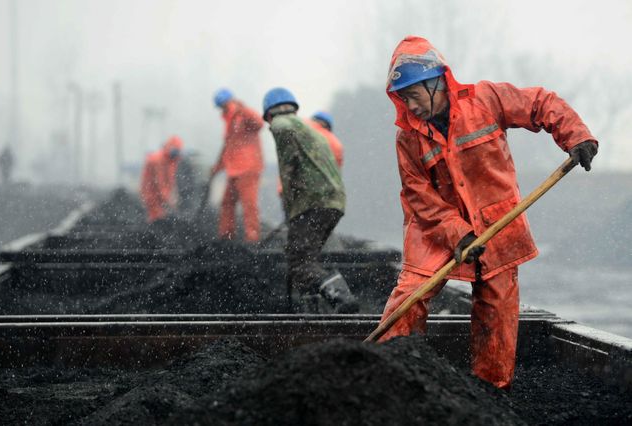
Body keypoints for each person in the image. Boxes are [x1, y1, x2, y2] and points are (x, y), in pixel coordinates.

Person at [378, 36, 598, 389]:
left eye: (413, 95)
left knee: (497, 305)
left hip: (496, 222)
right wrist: (457, 233)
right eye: (402, 98)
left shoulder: (485, 99)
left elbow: (539, 103)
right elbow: (418, 195)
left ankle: (491, 390)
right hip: (434, 227)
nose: (409, 105)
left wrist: (576, 136)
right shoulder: (408, 139)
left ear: (435, 83)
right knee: (412, 294)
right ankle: (385, 376)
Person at [263, 87, 359, 313]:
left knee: (299, 263)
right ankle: (315, 309)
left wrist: (288, 207)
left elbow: (287, 167)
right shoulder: (309, 129)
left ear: (269, 114)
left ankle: (341, 299)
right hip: (333, 202)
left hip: (311, 203)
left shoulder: (281, 125)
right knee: (308, 258)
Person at [211, 88, 264, 243]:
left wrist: (243, 109)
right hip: (234, 170)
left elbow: (259, 123)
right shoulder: (230, 121)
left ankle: (252, 238)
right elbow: (228, 147)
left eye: (224, 106)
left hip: (248, 168)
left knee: (249, 204)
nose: (223, 110)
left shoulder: (242, 115)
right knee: (227, 203)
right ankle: (226, 238)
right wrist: (217, 168)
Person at [140, 136, 183, 223]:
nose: (175, 153)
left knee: (161, 216)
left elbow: (170, 180)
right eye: (174, 150)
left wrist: (172, 195)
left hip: (158, 195)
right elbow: (160, 183)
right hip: (152, 194)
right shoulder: (158, 160)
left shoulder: (170, 160)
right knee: (157, 218)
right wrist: (169, 200)